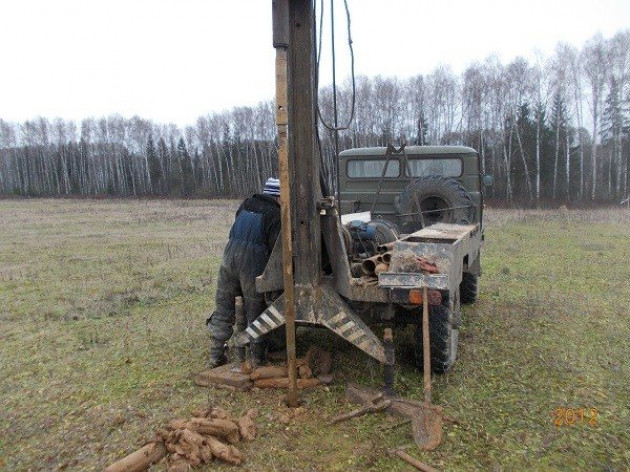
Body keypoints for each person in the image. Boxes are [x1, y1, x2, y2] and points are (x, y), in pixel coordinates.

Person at [206, 177, 281, 367]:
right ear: (278, 196)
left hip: (229, 256)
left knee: (223, 306)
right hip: (252, 262)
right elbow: (276, 249)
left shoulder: (246, 204)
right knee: (255, 309)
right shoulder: (276, 213)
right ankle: (257, 358)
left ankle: (216, 355)